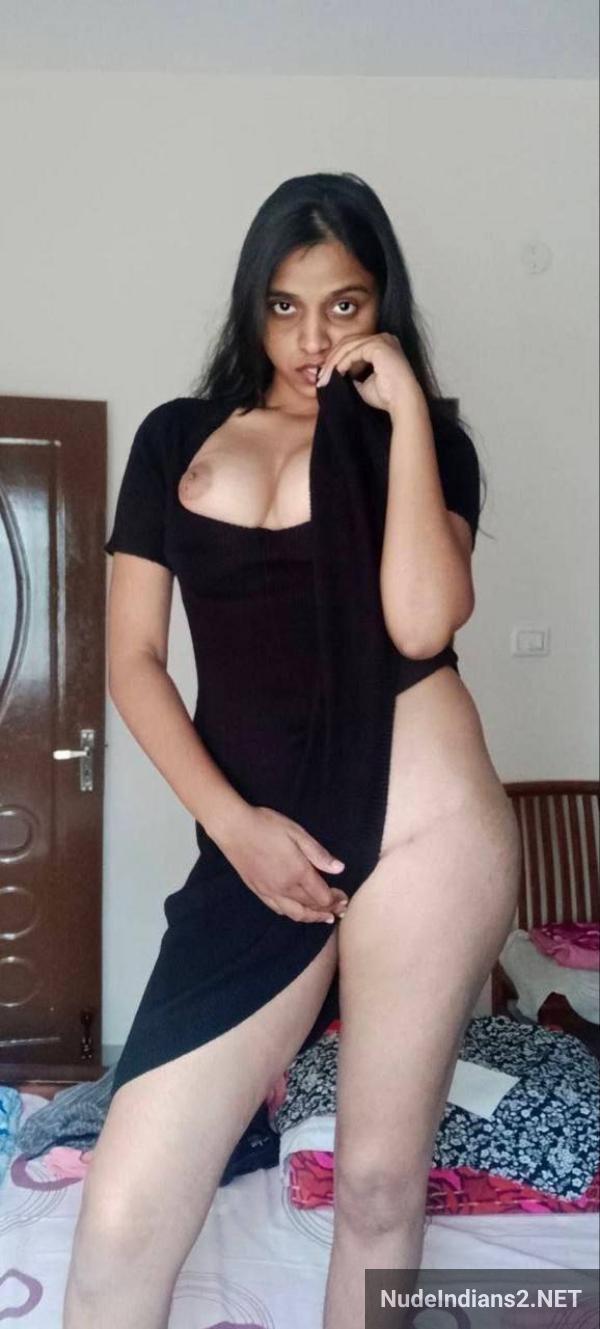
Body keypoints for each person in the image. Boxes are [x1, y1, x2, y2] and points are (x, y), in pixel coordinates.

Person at [63, 171, 522, 1329]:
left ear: (383, 307)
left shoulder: (424, 443)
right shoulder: (176, 439)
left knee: (378, 1185)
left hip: (423, 825)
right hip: (256, 839)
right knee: (122, 1211)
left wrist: (404, 414)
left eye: (344, 305)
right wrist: (233, 827)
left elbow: (422, 623)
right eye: (285, 306)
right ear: (251, 305)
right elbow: (135, 662)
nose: (312, 338)